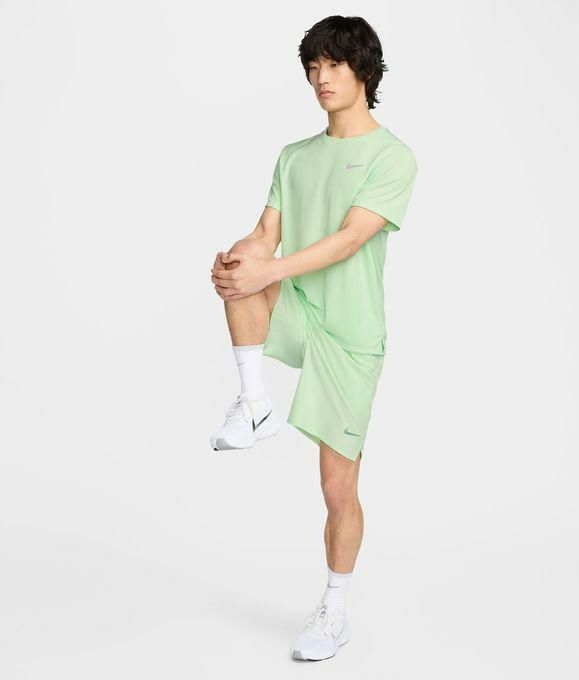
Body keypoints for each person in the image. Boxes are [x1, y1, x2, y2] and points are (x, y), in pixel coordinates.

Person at [209, 15, 417, 661]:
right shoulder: (294, 155)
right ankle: (254, 403)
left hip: (350, 334)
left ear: (364, 72)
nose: (322, 78)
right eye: (313, 67)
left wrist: (269, 269)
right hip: (298, 305)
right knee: (241, 275)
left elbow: (350, 238)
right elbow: (265, 235)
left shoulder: (392, 156)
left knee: (336, 487)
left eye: (334, 65)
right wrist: (239, 259)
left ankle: (333, 608)